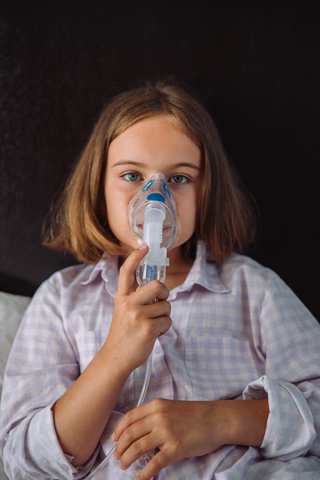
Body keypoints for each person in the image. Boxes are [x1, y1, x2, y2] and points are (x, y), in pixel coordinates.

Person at [0, 80, 320, 480]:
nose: (155, 199)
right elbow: (23, 462)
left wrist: (221, 420)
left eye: (180, 178)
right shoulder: (62, 300)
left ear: (207, 190)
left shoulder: (255, 291)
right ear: (98, 186)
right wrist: (114, 357)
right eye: (132, 175)